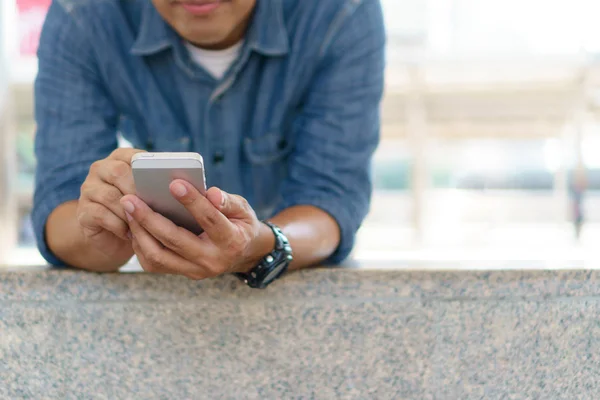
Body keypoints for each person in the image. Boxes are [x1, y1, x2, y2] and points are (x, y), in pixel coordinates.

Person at [33, 0, 385, 287]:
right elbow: (59, 207)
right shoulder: (81, 14)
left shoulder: (341, 11)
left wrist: (263, 243)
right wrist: (104, 236)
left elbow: (331, 201)